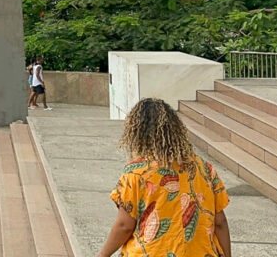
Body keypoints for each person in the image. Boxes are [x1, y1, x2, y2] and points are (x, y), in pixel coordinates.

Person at [97, 98, 231, 257]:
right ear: (176, 130)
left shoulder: (136, 173)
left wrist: (102, 255)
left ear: (137, 134)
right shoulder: (205, 168)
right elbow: (220, 222)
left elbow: (125, 225)